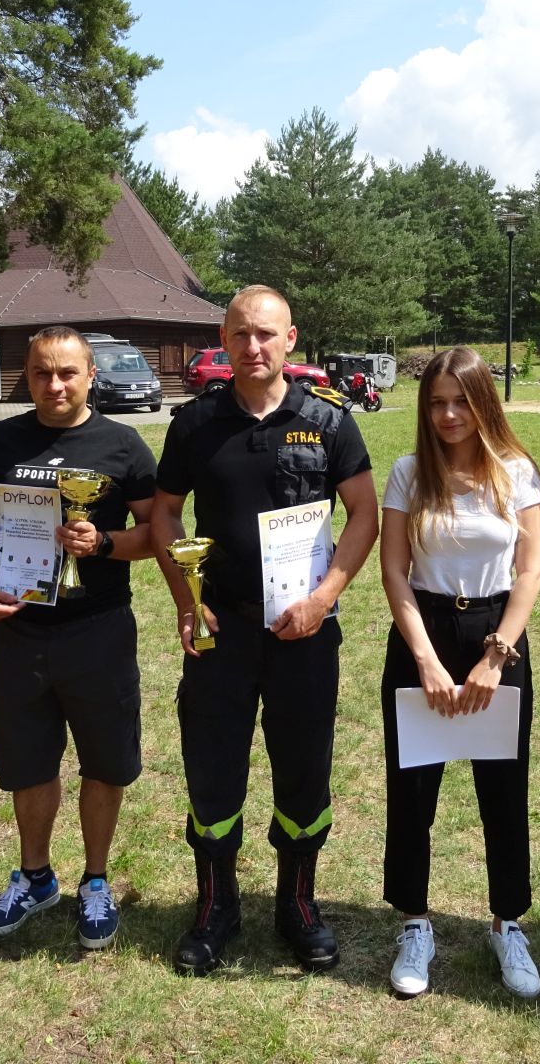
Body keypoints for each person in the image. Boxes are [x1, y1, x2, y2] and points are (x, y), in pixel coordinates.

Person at [151, 284, 378, 977]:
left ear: (290, 340)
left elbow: (364, 515)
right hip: (222, 630)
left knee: (304, 768)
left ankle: (297, 903)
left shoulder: (329, 420)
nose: (253, 346)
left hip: (304, 634)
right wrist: (186, 599)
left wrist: (325, 597)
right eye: (241, 334)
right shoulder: (194, 424)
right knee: (212, 769)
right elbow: (164, 514)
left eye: (266, 334)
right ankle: (216, 905)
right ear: (223, 340)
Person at [0, 326, 156, 951]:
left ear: (91, 375)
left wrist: (105, 543)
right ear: (28, 377)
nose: (55, 385)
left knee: (105, 762)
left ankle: (95, 880)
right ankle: (35, 876)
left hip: (99, 630)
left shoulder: (123, 445)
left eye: (68, 372)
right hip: (20, 631)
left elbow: (157, 535)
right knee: (28, 762)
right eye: (42, 372)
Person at [378, 348, 540, 999]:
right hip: (422, 634)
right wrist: (423, 657)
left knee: (503, 794)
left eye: (461, 401)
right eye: (437, 403)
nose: (449, 415)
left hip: (496, 636)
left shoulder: (517, 473)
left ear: (483, 403)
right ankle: (415, 923)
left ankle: (507, 924)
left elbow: (530, 570)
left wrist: (496, 656)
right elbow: (395, 572)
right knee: (412, 793)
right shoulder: (408, 474)